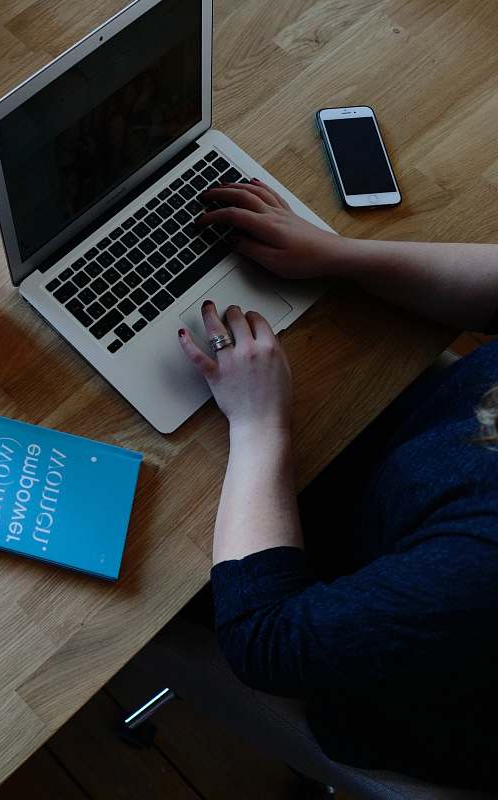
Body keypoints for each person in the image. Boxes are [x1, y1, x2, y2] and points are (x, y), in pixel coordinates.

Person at [178, 177, 498, 788]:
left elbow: (264, 639)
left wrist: (259, 425)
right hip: (406, 465)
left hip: (363, 653)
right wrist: (339, 253)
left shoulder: (481, 567)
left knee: (150, 562)